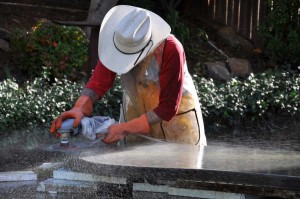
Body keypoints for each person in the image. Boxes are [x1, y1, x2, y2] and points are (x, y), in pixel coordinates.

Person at [50, 5, 207, 146]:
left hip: (177, 120)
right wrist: (78, 109)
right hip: (136, 112)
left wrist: (123, 129)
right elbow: (98, 82)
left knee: (181, 172)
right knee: (136, 173)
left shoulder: (171, 49)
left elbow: (168, 107)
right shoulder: (120, 39)